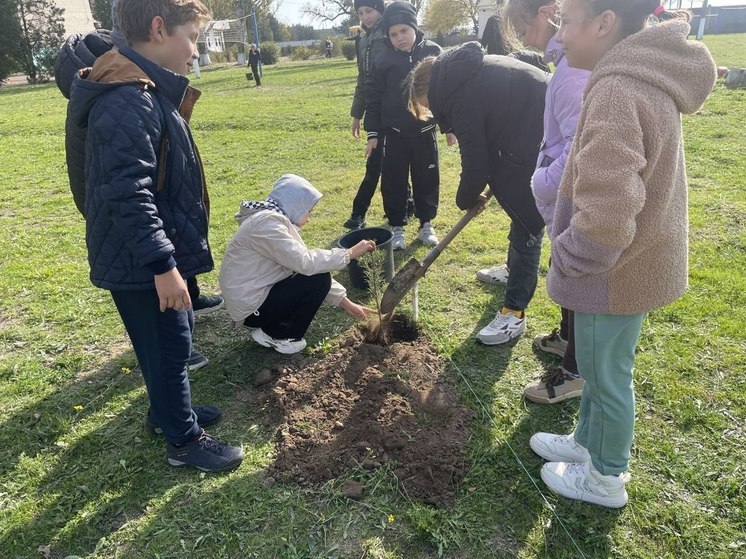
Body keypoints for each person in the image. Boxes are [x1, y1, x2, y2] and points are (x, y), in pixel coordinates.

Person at [530, 0, 716, 507]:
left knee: (608, 377)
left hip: (611, 272)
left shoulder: (616, 88)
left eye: (566, 23)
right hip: (632, 266)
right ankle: (587, 443)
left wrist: (572, 256)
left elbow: (610, 209)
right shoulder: (636, 76)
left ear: (604, 23)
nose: (560, 36)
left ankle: (606, 478)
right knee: (598, 366)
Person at [68, 0, 244, 472]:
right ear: (159, 28)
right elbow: (128, 192)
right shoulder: (127, 97)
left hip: (144, 254)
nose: (196, 51)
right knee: (169, 348)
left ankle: (164, 414)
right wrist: (164, 266)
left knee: (168, 342)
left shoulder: (141, 87)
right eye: (193, 38)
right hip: (141, 260)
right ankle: (184, 441)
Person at [407, 42, 548, 345]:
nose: (433, 112)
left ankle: (514, 313)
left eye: (428, 106)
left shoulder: (459, 95)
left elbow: (475, 163)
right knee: (511, 194)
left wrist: (466, 199)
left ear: (431, 91)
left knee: (527, 219)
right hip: (526, 129)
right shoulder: (463, 74)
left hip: (541, 133)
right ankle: (513, 269)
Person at [502, 0, 590, 404]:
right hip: (565, 191)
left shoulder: (571, 71)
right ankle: (568, 338)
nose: (525, 41)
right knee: (565, 265)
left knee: (576, 275)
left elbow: (576, 145)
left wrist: (541, 181)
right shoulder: (564, 64)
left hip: (572, 192)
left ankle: (574, 370)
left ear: (546, 12)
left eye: (523, 31)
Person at [219, 174, 376, 355]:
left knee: (316, 276)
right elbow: (307, 264)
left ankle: (272, 327)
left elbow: (303, 266)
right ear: (295, 205)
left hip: (255, 298)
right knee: (317, 278)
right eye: (308, 211)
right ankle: (277, 335)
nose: (309, 218)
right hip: (251, 308)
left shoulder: (272, 221)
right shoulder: (266, 225)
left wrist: (348, 304)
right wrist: (349, 253)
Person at [365, 1, 443, 251]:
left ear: (415, 28)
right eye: (393, 34)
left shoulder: (433, 52)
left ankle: (426, 224)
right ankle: (397, 225)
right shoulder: (383, 58)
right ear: (388, 36)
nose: (400, 38)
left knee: (427, 178)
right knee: (394, 181)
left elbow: (445, 92)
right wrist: (373, 132)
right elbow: (373, 95)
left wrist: (449, 126)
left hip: (425, 132)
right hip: (394, 134)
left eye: (404, 31)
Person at [343, 0, 386, 230]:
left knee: (397, 161)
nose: (365, 17)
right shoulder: (362, 39)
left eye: (369, 11)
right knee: (374, 163)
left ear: (380, 9)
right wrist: (357, 114)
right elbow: (362, 78)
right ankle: (358, 213)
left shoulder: (392, 32)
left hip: (394, 109)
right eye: (360, 13)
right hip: (373, 109)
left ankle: (407, 204)